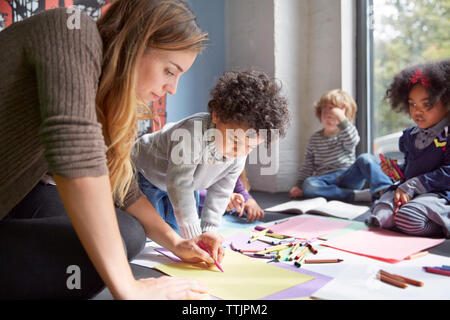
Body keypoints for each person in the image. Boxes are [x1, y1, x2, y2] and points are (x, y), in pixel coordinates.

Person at [0, 0, 224, 300]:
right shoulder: (72, 31)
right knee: (113, 247)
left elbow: (121, 185)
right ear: (136, 44)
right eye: (169, 71)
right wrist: (129, 289)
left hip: (14, 199)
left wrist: (176, 242)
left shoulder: (100, 91)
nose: (172, 88)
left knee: (127, 233)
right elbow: (74, 156)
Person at [133, 70, 290, 238]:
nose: (239, 151)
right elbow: (179, 185)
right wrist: (194, 237)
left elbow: (221, 191)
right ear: (216, 115)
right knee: (154, 233)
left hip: (188, 183)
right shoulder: (192, 133)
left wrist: (209, 231)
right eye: (235, 141)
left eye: (250, 147)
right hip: (146, 173)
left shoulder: (239, 154)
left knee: (178, 233)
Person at [368, 60, 450, 238]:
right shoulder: (410, 136)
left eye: (426, 105)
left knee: (408, 217)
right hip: (412, 194)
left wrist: (412, 186)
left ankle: (439, 226)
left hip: (439, 195)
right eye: (413, 104)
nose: (417, 111)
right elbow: (410, 171)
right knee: (380, 212)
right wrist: (397, 172)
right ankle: (401, 219)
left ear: (447, 102)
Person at [289, 89, 392, 202]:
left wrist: (341, 118)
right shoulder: (315, 139)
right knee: (309, 185)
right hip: (325, 180)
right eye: (325, 112)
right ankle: (354, 196)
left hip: (347, 176)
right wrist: (298, 185)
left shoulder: (345, 134)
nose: (329, 117)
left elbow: (353, 140)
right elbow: (307, 165)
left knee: (366, 158)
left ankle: (387, 190)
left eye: (333, 115)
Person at [198, 173, 265, 222]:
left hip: (224, 217)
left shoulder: (231, 162)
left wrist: (248, 199)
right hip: (196, 217)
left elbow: (237, 186)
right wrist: (221, 197)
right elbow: (191, 192)